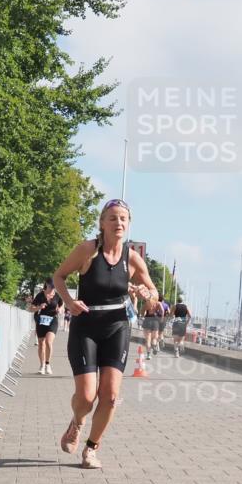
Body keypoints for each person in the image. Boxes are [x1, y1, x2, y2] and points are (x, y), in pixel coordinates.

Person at [52, 199, 159, 469]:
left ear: (128, 224)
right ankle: (77, 422)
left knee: (110, 396)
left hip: (117, 328)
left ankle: (91, 449)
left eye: (123, 218)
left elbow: (154, 293)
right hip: (85, 327)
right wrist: (68, 301)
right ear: (102, 223)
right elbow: (59, 277)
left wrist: (148, 295)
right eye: (112, 218)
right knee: (86, 398)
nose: (118, 223)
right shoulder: (88, 251)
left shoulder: (132, 258)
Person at [30, 278, 63, 374]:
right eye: (51, 286)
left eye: (54, 287)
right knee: (41, 343)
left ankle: (48, 364)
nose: (53, 288)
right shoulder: (40, 295)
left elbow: (62, 305)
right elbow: (31, 308)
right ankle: (42, 365)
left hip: (52, 320)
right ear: (47, 285)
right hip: (41, 321)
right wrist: (39, 307)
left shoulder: (57, 295)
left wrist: (60, 309)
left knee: (48, 342)